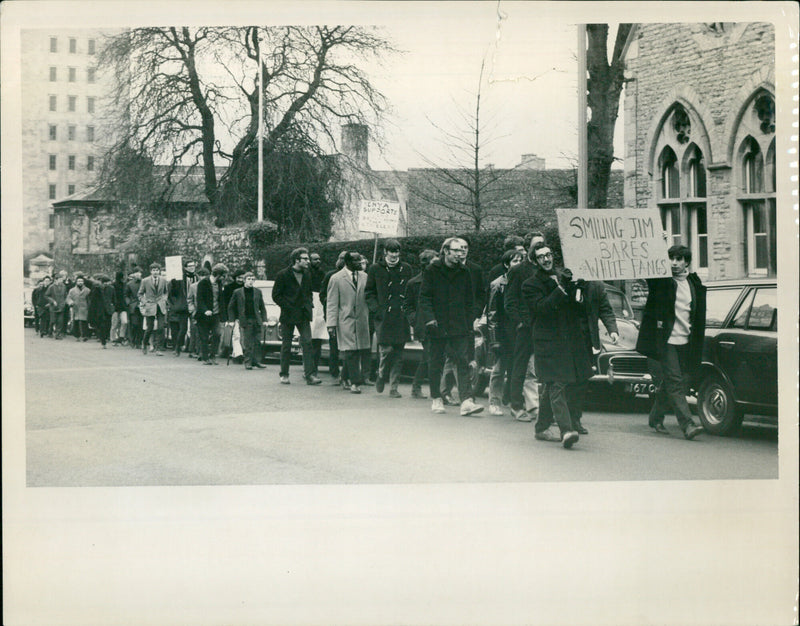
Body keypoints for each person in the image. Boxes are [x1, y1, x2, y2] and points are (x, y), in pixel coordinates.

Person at [522, 244, 590, 449]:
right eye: (541, 256)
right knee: (558, 383)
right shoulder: (530, 284)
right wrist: (561, 289)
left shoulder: (563, 277)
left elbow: (577, 310)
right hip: (548, 341)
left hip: (569, 340)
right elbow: (542, 309)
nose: (546, 259)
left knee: (554, 384)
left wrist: (578, 291)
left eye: (548, 255)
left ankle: (541, 427)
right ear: (534, 261)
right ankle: (566, 430)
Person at [636, 244, 706, 440]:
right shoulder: (663, 283)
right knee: (675, 381)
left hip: (687, 340)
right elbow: (650, 272)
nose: (673, 263)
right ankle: (688, 424)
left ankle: (655, 417)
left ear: (687, 262)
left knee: (677, 381)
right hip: (666, 340)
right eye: (670, 259)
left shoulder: (693, 283)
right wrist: (656, 243)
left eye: (678, 259)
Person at [419, 237, 484, 416]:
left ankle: (466, 401)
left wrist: (469, 318)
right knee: (436, 362)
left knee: (462, 361)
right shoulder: (433, 270)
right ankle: (436, 398)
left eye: (461, 250)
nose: (460, 253)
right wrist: (430, 319)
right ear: (446, 251)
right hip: (437, 324)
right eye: (455, 250)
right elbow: (424, 297)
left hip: (459, 324)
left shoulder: (464, 272)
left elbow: (470, 299)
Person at [504, 231, 546, 421]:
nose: (539, 248)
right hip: (526, 327)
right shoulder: (518, 270)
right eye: (536, 245)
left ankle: (542, 408)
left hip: (544, 326)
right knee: (519, 366)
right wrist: (520, 322)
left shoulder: (547, 268)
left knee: (545, 368)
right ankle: (516, 406)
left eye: (542, 245)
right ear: (527, 247)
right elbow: (510, 301)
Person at [365, 239, 413, 398]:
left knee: (399, 354)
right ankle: (381, 374)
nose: (394, 255)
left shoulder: (406, 268)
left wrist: (409, 311)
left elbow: (411, 292)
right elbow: (369, 292)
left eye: (396, 252)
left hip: (401, 316)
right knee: (386, 350)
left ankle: (394, 387)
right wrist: (377, 309)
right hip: (384, 316)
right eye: (391, 251)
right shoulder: (375, 269)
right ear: (385, 252)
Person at [573, 280, 620, 433]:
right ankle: (553, 416)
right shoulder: (563, 282)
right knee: (562, 380)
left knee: (582, 381)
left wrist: (612, 330)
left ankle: (575, 420)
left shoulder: (597, 286)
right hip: (566, 340)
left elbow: (605, 310)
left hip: (587, 341)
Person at [272, 248, 321, 385]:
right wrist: (288, 306)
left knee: (307, 343)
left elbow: (309, 292)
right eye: (305, 259)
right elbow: (276, 295)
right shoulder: (282, 275)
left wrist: (309, 303)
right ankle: (284, 374)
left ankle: (309, 375)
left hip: (303, 314)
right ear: (296, 260)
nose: (308, 261)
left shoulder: (307, 274)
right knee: (286, 345)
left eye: (307, 259)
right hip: (288, 314)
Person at [486, 248, 524, 415]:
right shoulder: (498, 284)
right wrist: (494, 339)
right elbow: (492, 313)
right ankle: (494, 401)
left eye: (521, 260)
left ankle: (512, 399)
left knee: (519, 369)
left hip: (519, 332)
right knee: (500, 369)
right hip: (503, 332)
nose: (519, 264)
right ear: (507, 264)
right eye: (515, 261)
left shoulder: (525, 281)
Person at [326, 252, 372, 394]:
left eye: (361, 259)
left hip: (362, 319)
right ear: (347, 262)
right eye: (356, 260)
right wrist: (331, 324)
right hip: (345, 319)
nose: (360, 262)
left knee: (357, 349)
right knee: (351, 350)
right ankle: (355, 383)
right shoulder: (336, 278)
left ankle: (344, 376)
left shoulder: (365, 277)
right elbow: (332, 303)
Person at [403, 249, 438, 399]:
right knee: (430, 356)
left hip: (439, 323)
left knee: (430, 356)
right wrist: (415, 319)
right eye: (434, 262)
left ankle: (418, 387)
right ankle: (422, 388)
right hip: (424, 325)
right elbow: (408, 305)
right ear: (426, 265)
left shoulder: (441, 279)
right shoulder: (413, 283)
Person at [227, 271, 267, 370]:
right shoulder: (238, 292)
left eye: (252, 279)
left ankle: (257, 361)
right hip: (246, 319)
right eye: (248, 279)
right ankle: (248, 362)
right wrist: (231, 320)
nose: (250, 281)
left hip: (256, 319)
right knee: (248, 342)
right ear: (244, 280)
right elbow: (231, 307)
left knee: (258, 341)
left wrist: (264, 319)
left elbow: (262, 307)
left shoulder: (258, 292)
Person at [319, 251, 347, 381]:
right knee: (334, 342)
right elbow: (323, 295)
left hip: (347, 315)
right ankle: (334, 369)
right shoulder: (331, 275)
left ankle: (345, 371)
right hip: (333, 314)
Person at [195, 263, 228, 365]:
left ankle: (213, 355)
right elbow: (199, 299)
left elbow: (221, 300)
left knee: (217, 334)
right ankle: (205, 357)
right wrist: (205, 310)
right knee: (204, 337)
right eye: (223, 275)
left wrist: (224, 316)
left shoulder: (219, 284)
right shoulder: (203, 283)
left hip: (216, 314)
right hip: (204, 315)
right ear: (217, 274)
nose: (224, 278)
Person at [138, 263, 168, 356]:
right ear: (151, 271)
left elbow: (166, 292)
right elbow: (140, 294)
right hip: (150, 305)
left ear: (159, 271)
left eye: (157, 270)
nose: (155, 272)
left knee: (160, 327)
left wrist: (164, 299)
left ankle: (158, 348)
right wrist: (144, 302)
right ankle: (144, 344)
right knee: (149, 328)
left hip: (160, 305)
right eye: (153, 270)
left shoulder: (163, 280)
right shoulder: (145, 281)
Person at [309, 251, 328, 376]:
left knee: (317, 339)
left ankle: (314, 366)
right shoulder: (306, 273)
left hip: (319, 306)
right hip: (310, 303)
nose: (318, 261)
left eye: (319, 259)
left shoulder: (322, 273)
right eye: (315, 259)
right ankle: (309, 367)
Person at [167, 267, 191, 357]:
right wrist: (174, 281)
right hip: (183, 306)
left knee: (193, 328)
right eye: (189, 266)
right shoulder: (178, 280)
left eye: (193, 266)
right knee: (182, 328)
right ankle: (177, 347)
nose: (191, 268)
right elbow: (174, 293)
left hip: (194, 305)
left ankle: (192, 349)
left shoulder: (196, 277)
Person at [88, 274, 115, 348]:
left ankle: (105, 338)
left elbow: (113, 299)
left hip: (108, 310)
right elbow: (92, 299)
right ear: (101, 282)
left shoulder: (111, 288)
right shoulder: (96, 289)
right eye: (104, 282)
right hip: (100, 310)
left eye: (107, 282)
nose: (106, 284)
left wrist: (113, 307)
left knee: (108, 325)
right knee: (102, 325)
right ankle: (103, 341)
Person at [45, 271, 69, 339]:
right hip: (53, 307)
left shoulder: (64, 286)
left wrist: (64, 302)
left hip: (61, 306)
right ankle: (50, 332)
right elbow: (46, 295)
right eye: (60, 279)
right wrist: (52, 301)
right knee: (53, 321)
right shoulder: (51, 287)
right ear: (56, 280)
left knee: (60, 321)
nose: (61, 281)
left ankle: (58, 335)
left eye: (62, 279)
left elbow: (65, 295)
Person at [67, 275, 91, 341]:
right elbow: (68, 298)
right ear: (76, 282)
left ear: (83, 282)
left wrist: (90, 307)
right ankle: (77, 336)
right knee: (76, 322)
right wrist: (70, 302)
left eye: (81, 281)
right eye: (79, 281)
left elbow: (89, 300)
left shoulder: (87, 290)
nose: (80, 282)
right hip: (76, 308)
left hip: (84, 308)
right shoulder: (72, 290)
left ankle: (85, 335)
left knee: (84, 322)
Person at [124, 268, 143, 349]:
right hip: (134, 306)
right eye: (136, 273)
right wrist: (129, 303)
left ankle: (139, 342)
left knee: (142, 325)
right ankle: (132, 340)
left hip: (143, 305)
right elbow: (126, 295)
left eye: (139, 273)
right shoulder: (129, 284)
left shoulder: (144, 282)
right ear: (133, 274)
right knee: (134, 324)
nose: (138, 274)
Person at [110, 271, 128, 345]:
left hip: (121, 306)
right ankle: (114, 339)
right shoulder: (115, 285)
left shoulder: (123, 285)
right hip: (116, 306)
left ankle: (120, 337)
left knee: (124, 322)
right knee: (115, 324)